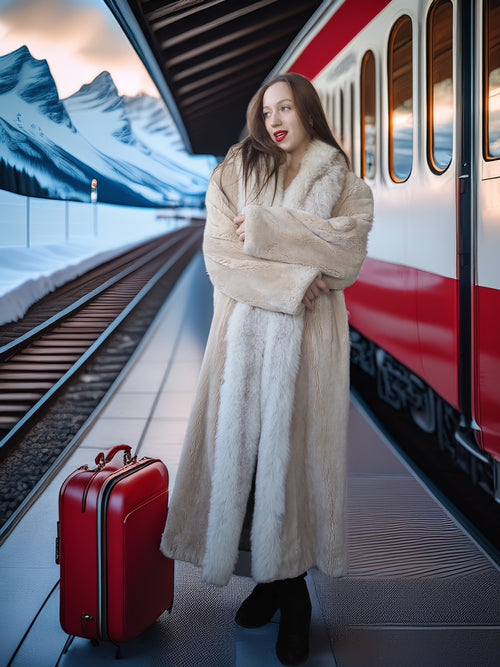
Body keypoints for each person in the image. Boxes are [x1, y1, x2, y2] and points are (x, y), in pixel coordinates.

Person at [161, 72, 373, 666]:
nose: (275, 118)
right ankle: (275, 583)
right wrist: (296, 276)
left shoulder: (342, 180)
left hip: (309, 352)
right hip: (241, 345)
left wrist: (266, 229)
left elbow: (347, 253)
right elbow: (220, 257)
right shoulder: (233, 172)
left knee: (295, 467)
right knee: (250, 472)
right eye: (266, 109)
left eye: (286, 107)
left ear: (309, 112)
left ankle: (293, 596)